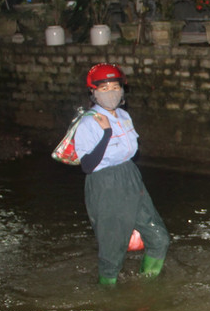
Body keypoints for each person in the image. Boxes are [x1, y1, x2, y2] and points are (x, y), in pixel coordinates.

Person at [73, 63, 170, 286]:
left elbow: (131, 151)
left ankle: (147, 283)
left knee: (159, 238)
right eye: (104, 88)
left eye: (115, 87)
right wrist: (106, 132)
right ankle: (108, 297)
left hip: (130, 176)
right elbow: (87, 165)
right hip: (104, 182)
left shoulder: (124, 115)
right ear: (93, 92)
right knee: (112, 249)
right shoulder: (89, 122)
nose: (111, 93)